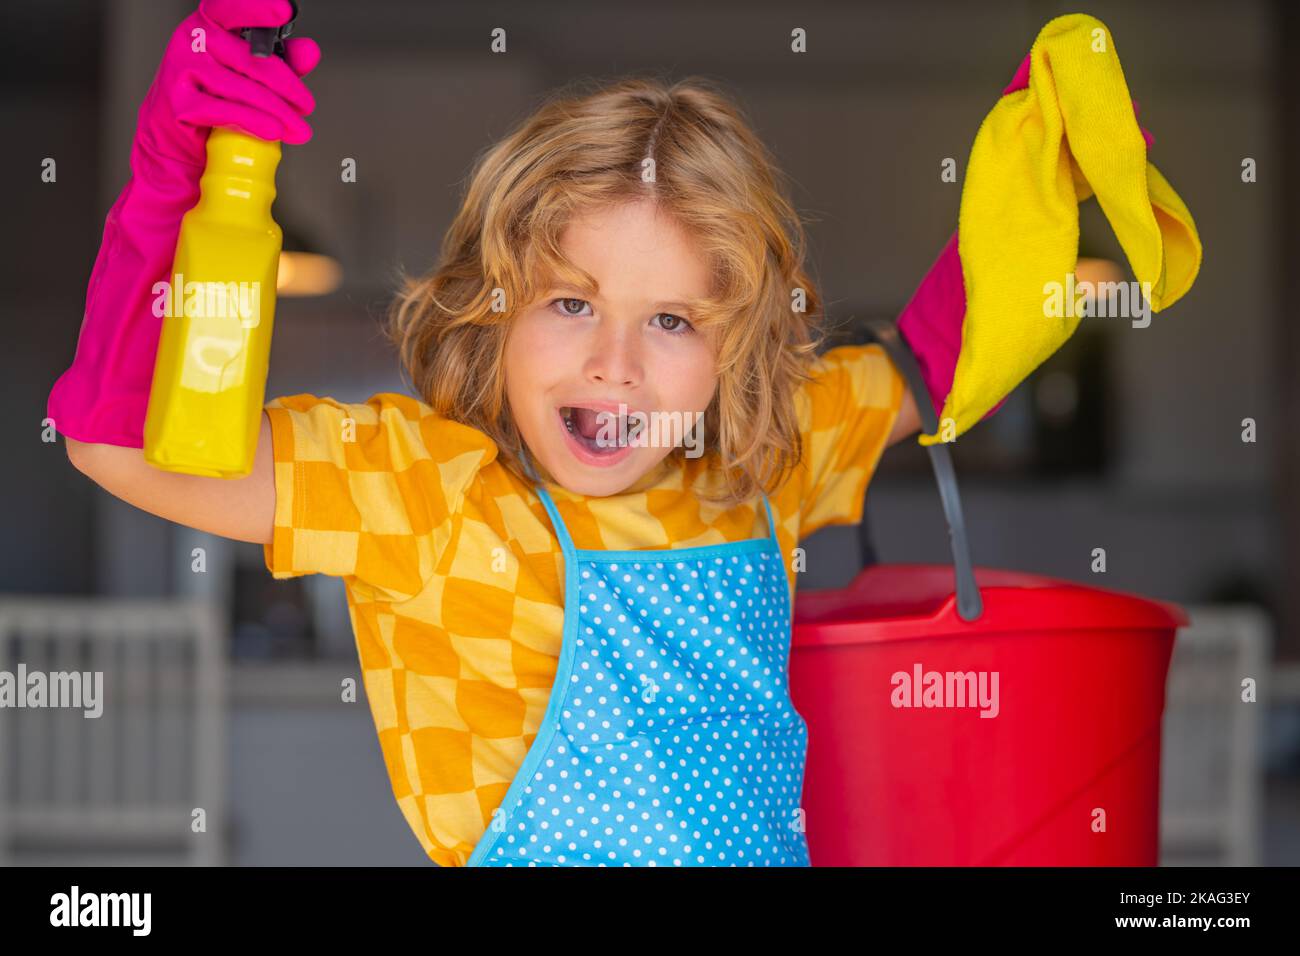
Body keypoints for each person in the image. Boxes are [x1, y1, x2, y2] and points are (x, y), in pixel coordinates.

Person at [55, 0, 929, 866]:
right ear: (493, 313)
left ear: (732, 350)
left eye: (671, 320)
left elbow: (941, 363)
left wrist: (1043, 143)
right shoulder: (422, 489)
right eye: (571, 302)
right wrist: (169, 176)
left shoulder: (760, 459)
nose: (614, 364)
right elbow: (115, 444)